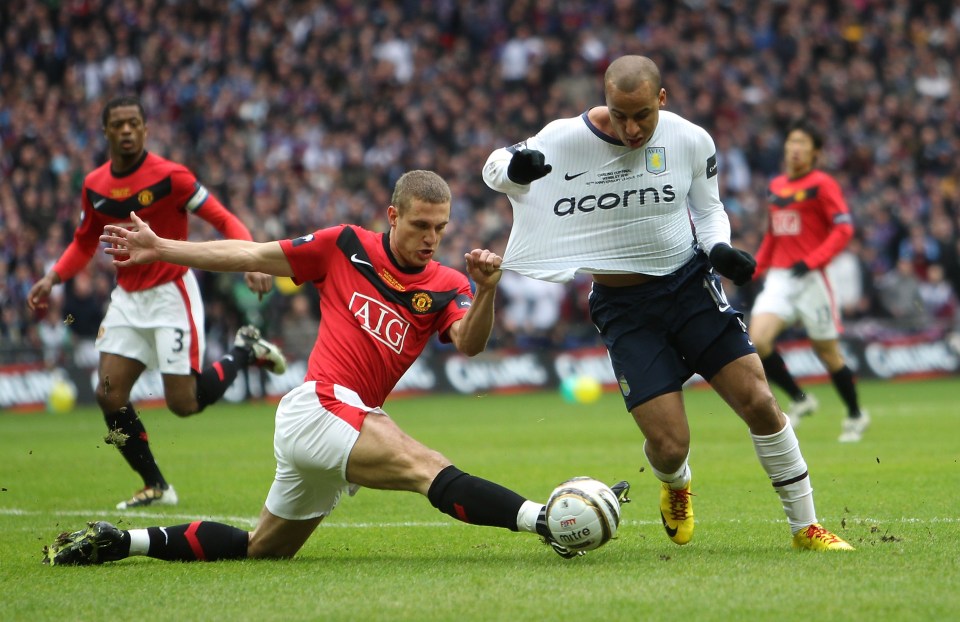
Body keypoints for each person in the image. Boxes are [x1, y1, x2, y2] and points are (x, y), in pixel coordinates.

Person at [43, 170, 629, 565]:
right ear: (392, 214)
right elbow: (252, 254)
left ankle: (125, 542)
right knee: (427, 466)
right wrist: (165, 249)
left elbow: (469, 344)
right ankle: (543, 521)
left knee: (261, 550)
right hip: (321, 403)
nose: (432, 238)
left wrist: (484, 293)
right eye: (420, 225)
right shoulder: (343, 245)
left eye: (441, 229)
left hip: (341, 419)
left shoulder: (447, 284)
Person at [482, 55, 851, 551]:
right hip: (623, 307)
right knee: (671, 444)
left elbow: (709, 207)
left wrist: (719, 249)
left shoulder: (690, 138)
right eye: (619, 114)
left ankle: (806, 528)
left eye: (642, 116)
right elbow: (494, 167)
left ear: (662, 99)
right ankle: (676, 486)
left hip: (689, 286)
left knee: (760, 403)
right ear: (604, 100)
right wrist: (516, 169)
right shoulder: (567, 136)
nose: (631, 128)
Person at [27, 96, 287, 510]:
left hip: (172, 294)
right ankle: (155, 485)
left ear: (146, 129)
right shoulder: (94, 185)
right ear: (106, 132)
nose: (127, 131)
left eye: (134, 123)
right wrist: (53, 277)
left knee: (182, 404)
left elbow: (222, 217)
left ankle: (244, 349)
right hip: (128, 299)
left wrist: (252, 258)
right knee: (109, 395)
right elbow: (84, 241)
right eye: (119, 125)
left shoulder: (172, 177)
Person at [749, 120, 869, 443]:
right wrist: (754, 270)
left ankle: (856, 415)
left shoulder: (823, 184)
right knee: (757, 341)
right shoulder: (775, 186)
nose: (795, 148)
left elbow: (843, 229)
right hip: (780, 278)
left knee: (827, 354)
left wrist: (813, 261)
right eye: (791, 142)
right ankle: (801, 399)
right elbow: (773, 235)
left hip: (813, 277)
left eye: (802, 143)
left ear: (815, 152)